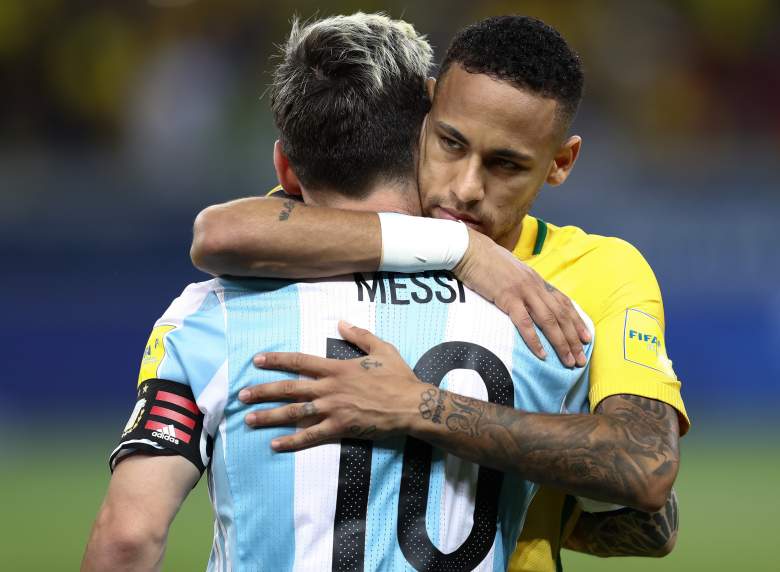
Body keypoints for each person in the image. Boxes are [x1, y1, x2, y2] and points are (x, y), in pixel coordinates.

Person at [82, 13, 597, 572]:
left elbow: (128, 538)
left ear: (284, 167)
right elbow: (629, 504)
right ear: (424, 142)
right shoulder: (540, 319)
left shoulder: (211, 316)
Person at [191, 15, 689, 571]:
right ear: (427, 109)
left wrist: (421, 409)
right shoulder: (343, 230)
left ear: (561, 162)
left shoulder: (598, 272)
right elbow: (221, 232)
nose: (466, 188)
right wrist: (460, 248)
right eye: (451, 142)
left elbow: (646, 480)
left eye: (506, 164)